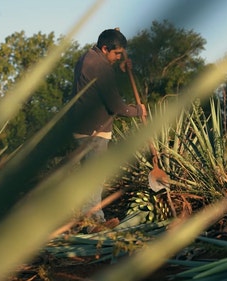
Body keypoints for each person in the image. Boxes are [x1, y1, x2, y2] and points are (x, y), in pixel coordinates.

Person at [68, 28, 147, 230]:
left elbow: (103, 87)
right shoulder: (99, 67)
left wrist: (120, 69)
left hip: (84, 128)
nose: (119, 57)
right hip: (94, 131)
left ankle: (87, 223)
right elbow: (116, 105)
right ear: (105, 48)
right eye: (116, 53)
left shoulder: (89, 58)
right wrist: (137, 110)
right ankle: (93, 224)